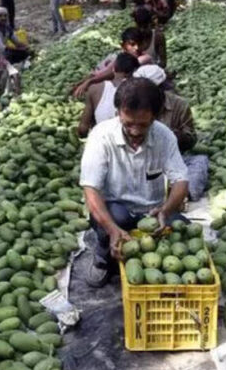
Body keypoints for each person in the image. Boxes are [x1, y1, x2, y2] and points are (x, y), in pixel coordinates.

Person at [79, 78, 190, 286]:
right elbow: (90, 190)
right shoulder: (101, 137)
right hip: (116, 210)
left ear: (155, 117)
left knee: (182, 228)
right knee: (115, 220)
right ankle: (103, 257)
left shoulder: (164, 136)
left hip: (151, 212)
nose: (136, 131)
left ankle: (142, 258)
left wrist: (165, 210)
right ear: (118, 112)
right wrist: (112, 229)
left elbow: (181, 181)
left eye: (143, 124)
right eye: (128, 123)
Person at [134, 65, 207, 202]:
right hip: (140, 159)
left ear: (162, 88)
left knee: (199, 161)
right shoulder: (131, 106)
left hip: (171, 159)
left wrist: (174, 136)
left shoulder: (179, 105)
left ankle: (182, 195)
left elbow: (190, 139)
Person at [71, 27, 154, 97]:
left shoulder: (144, 58)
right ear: (123, 46)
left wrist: (90, 81)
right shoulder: (123, 56)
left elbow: (111, 73)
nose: (136, 47)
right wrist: (83, 81)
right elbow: (107, 70)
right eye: (132, 44)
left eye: (139, 44)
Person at [76, 52, 141, 138]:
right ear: (134, 73)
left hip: (102, 143)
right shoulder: (139, 92)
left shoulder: (95, 89)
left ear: (113, 69)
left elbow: (83, 129)